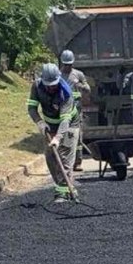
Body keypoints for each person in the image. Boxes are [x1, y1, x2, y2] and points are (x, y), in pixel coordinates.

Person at [27, 63, 80, 202]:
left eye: (54, 84)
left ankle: (62, 193)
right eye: (48, 85)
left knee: (65, 157)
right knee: (50, 156)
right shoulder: (37, 86)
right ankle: (66, 187)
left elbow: (65, 121)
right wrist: (39, 122)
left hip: (69, 125)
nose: (51, 87)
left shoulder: (66, 92)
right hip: (49, 125)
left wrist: (58, 138)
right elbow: (32, 108)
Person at [60, 50, 90, 171]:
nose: (68, 66)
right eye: (66, 64)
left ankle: (78, 162)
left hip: (76, 111)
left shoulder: (78, 74)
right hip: (63, 111)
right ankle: (66, 162)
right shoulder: (58, 75)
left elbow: (87, 89)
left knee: (78, 137)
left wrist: (81, 85)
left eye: (70, 64)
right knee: (65, 137)